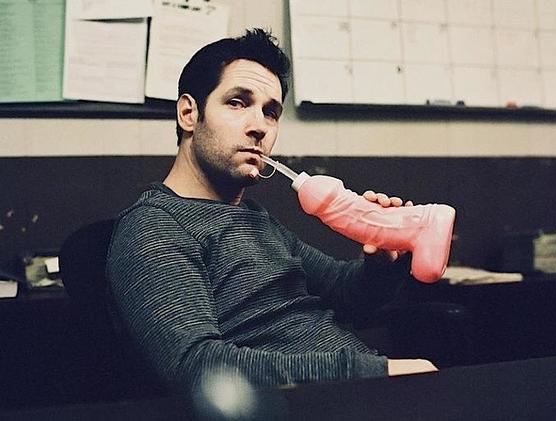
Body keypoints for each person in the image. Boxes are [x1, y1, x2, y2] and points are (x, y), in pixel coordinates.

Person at [106, 28, 436, 395]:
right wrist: (369, 372)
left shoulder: (255, 219)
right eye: (237, 103)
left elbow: (346, 299)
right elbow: (196, 366)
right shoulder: (154, 227)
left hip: (360, 392)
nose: (259, 127)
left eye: (271, 112)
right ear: (188, 113)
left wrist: (382, 264)